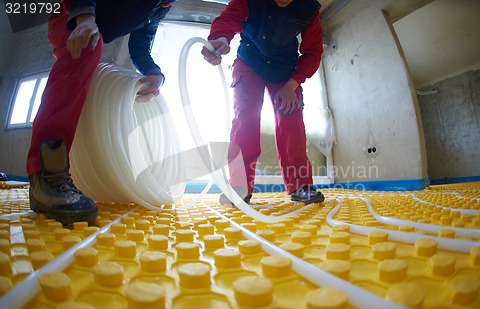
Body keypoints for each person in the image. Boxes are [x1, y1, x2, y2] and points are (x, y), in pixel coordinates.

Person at [26, 0, 176, 224]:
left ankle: (53, 178)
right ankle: (46, 176)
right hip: (70, 13)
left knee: (88, 66)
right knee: (89, 46)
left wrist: (154, 73)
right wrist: (84, 17)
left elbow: (139, 47)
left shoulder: (161, 7)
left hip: (90, 25)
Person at [202, 0, 325, 205]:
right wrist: (220, 38)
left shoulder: (309, 8)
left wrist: (292, 85)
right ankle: (239, 186)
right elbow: (230, 17)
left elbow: (312, 52)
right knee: (245, 121)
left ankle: (301, 185)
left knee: (292, 123)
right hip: (249, 63)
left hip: (286, 72)